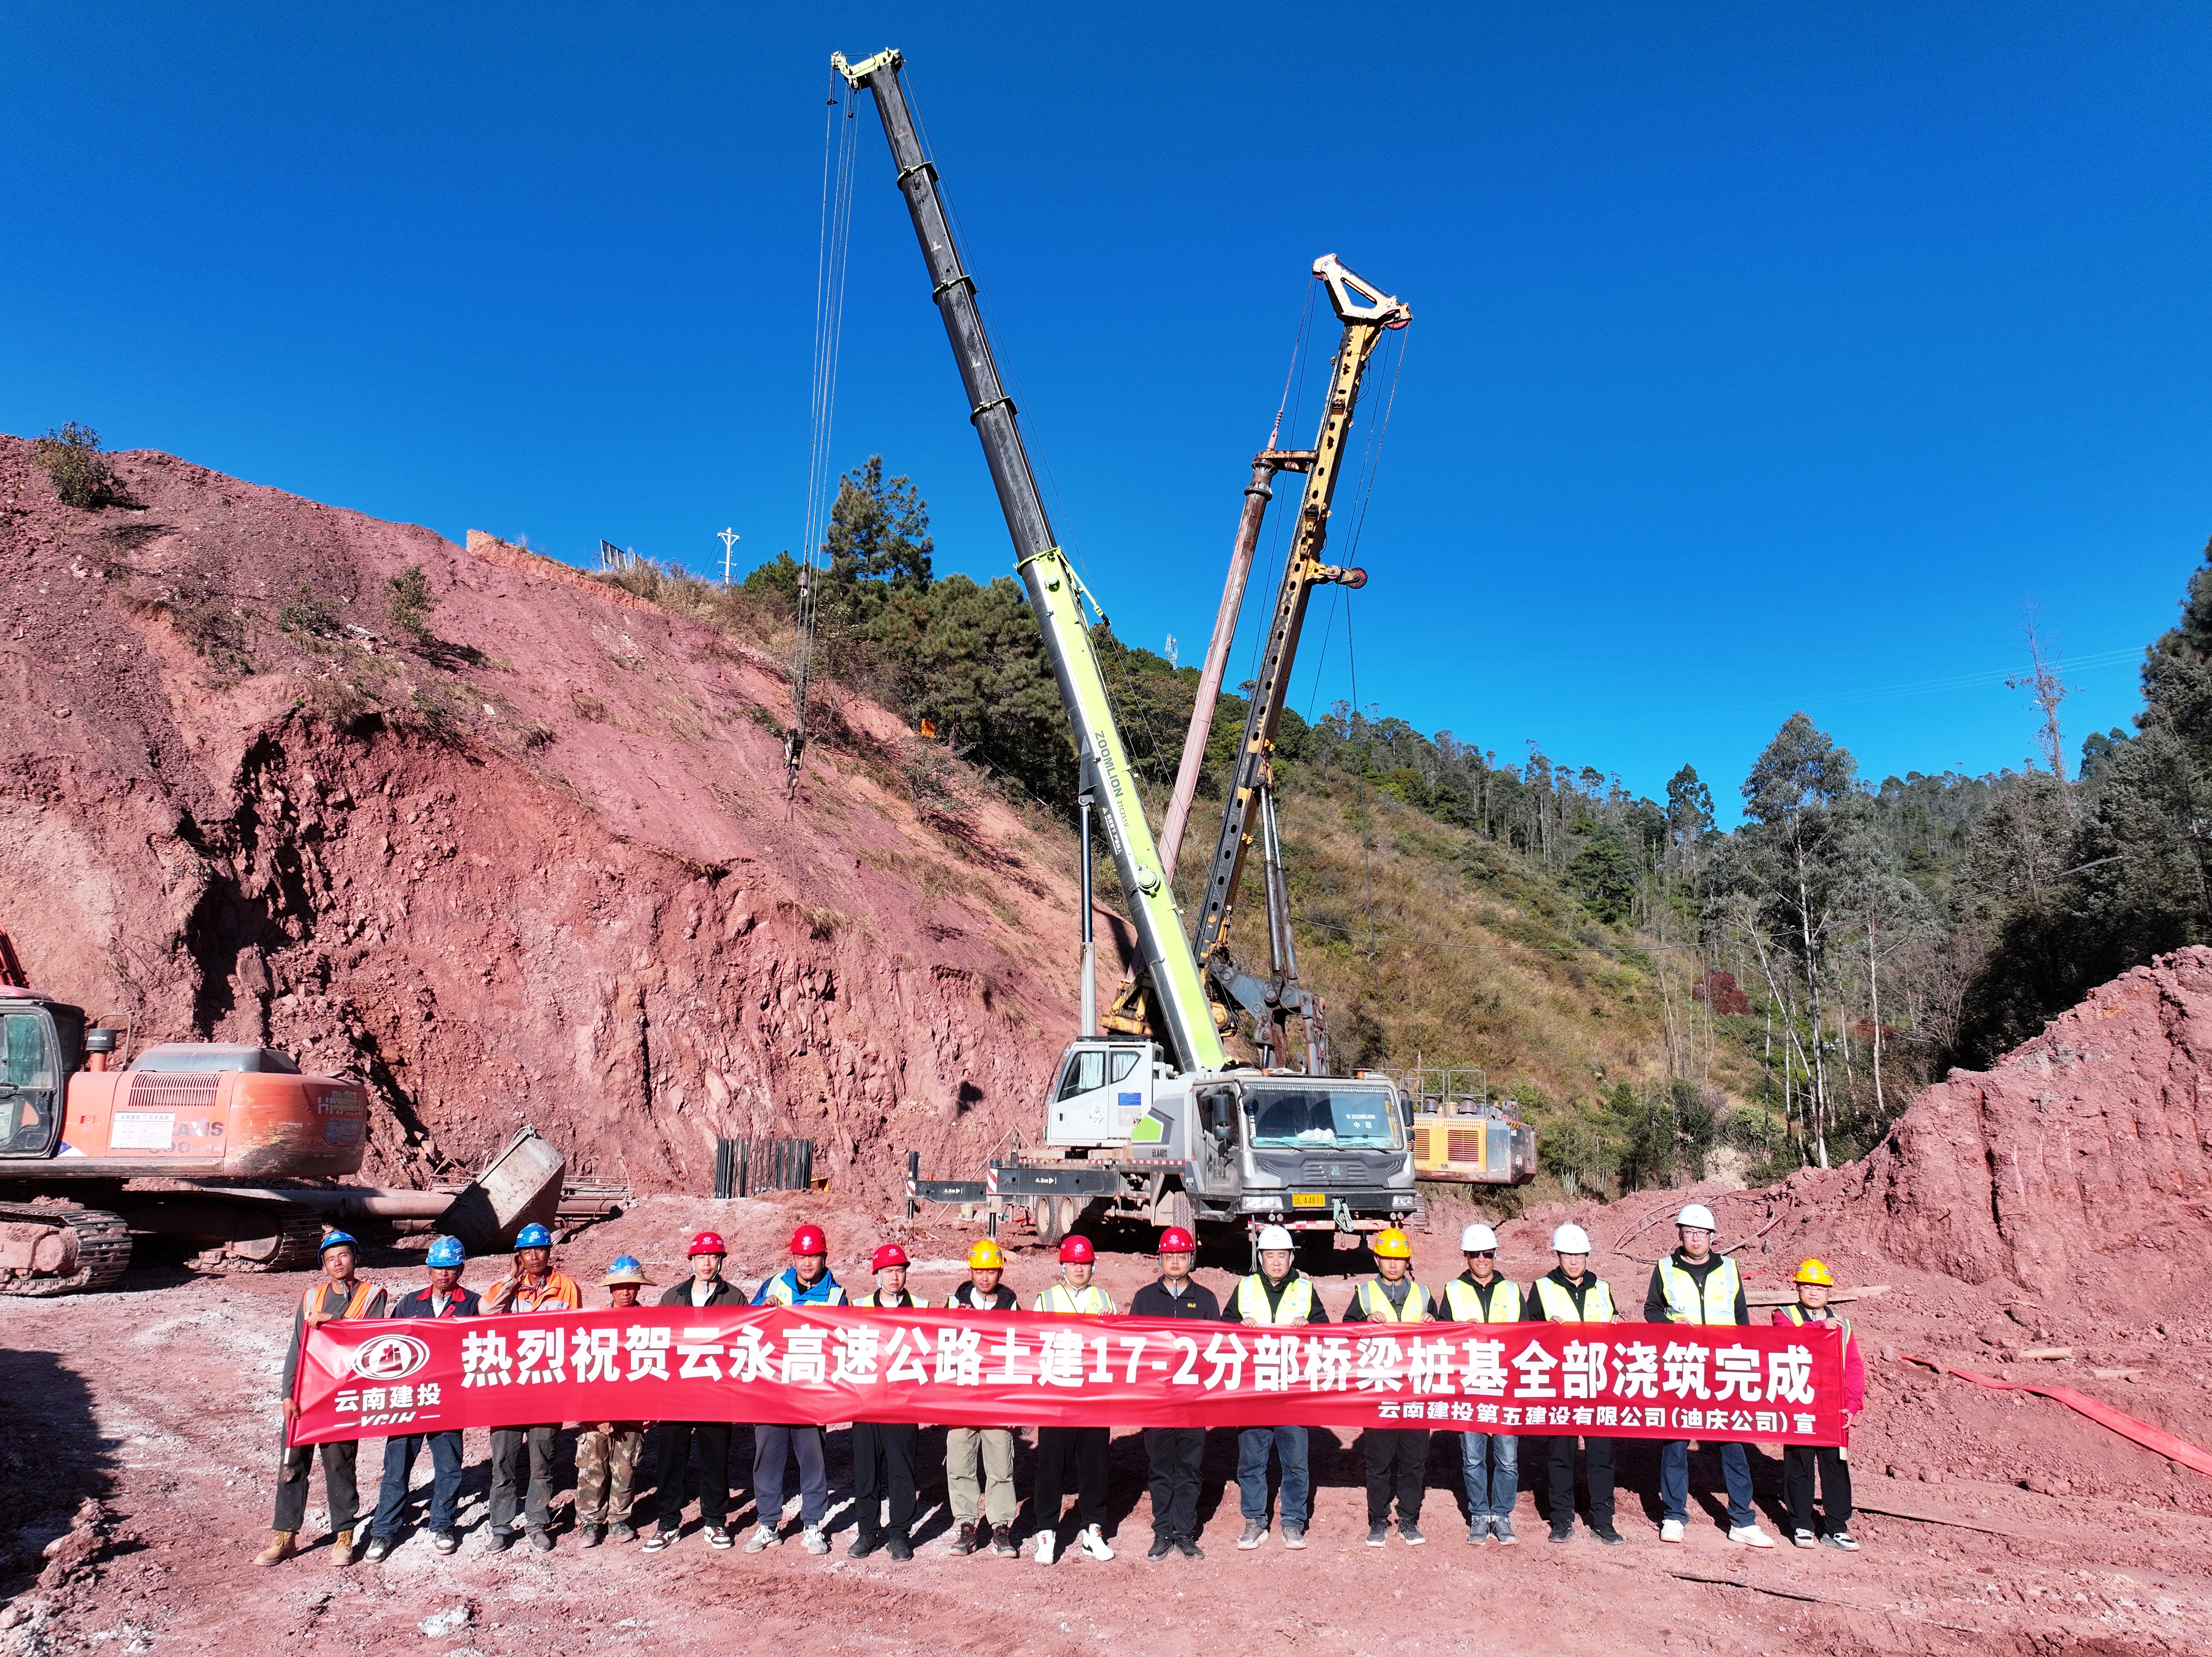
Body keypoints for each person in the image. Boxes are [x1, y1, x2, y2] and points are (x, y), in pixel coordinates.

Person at [1643, 1203, 1775, 1549]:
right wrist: (1671, 1325)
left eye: (1702, 1233)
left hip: (1723, 1368)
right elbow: (1652, 1311)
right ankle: (1673, 1516)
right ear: (1681, 1235)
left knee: (1733, 1444)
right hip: (1683, 1366)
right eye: (1689, 1232)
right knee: (1676, 1444)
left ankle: (1742, 1521)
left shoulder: (1729, 1269)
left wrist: (1747, 1362)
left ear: (1712, 1237)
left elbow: (1741, 1319)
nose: (1696, 1239)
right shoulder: (1665, 1268)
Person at [258, 1231, 388, 1566]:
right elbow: (297, 1347)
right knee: (292, 1464)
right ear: (323, 1266)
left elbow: (374, 1338)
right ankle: (285, 1537)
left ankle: (344, 1536)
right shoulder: (311, 1298)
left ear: (355, 1257)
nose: (337, 1263)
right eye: (330, 1259)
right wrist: (287, 1394)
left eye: (343, 1255)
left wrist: (337, 1321)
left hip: (343, 1396)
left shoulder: (372, 1295)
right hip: (306, 1395)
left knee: (340, 1465)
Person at [363, 1236, 477, 1562]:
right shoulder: (410, 1303)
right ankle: (384, 1532)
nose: (444, 1274)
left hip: (450, 1400)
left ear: (461, 1269)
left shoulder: (473, 1304)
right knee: (396, 1468)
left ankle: (442, 1525)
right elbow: (388, 1346)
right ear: (429, 1269)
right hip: (410, 1400)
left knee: (449, 1467)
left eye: (450, 1268)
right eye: (438, 1268)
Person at [481, 1222, 582, 1552]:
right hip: (508, 1392)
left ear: (550, 1253)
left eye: (539, 1249)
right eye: (527, 1251)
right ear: (519, 1256)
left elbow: (576, 1334)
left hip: (546, 1391)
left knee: (542, 1463)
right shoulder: (509, 1288)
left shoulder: (567, 1288)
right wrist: (512, 1280)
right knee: (504, 1464)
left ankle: (537, 1524)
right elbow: (486, 1313)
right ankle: (501, 1526)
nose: (534, 1256)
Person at [747, 1223, 846, 1554]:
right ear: (792, 1257)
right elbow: (745, 1326)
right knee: (768, 1459)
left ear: (824, 1257)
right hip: (772, 1391)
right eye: (801, 1256)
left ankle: (812, 1525)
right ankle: (768, 1524)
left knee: (813, 1460)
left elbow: (845, 1341)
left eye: (813, 1256)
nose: (807, 1262)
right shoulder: (774, 1285)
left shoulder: (835, 1296)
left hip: (811, 1394)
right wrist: (762, 1310)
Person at [1230, 1224, 1329, 1550]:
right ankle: (1255, 1521)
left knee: (1296, 1462)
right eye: (1270, 1255)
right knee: (1251, 1461)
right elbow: (1222, 1330)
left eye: (1282, 1255)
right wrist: (1238, 1326)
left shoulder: (1305, 1290)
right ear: (1260, 1258)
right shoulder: (1245, 1288)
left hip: (1293, 1392)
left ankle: (1293, 1523)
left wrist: (1310, 1325)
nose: (1276, 1261)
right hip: (1254, 1390)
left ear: (1291, 1257)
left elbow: (1327, 1333)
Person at [645, 1231, 745, 1553]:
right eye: (701, 1257)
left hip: (716, 1392)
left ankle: (715, 1521)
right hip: (678, 1392)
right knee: (671, 1459)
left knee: (715, 1459)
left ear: (721, 1261)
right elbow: (659, 1343)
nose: (707, 1263)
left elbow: (744, 1342)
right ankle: (668, 1524)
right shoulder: (672, 1297)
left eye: (713, 1257)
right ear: (691, 1261)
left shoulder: (735, 1298)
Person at [1129, 1226, 1220, 1561]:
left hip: (1193, 1403)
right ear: (1160, 1259)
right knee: (1161, 1469)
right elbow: (1130, 1349)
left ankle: (1185, 1533)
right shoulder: (1144, 1299)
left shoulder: (1207, 1300)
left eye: (1182, 1255)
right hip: (1158, 1403)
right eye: (1170, 1256)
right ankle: (1163, 1532)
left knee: (1190, 1470)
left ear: (1191, 1259)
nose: (1176, 1261)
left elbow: (1218, 1349)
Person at [1531, 1223, 1623, 1546]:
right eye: (1568, 1255)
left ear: (1587, 1256)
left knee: (1601, 1456)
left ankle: (1603, 1521)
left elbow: (1615, 1328)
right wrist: (1543, 1327)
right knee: (1561, 1455)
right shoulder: (1542, 1288)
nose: (1574, 1261)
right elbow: (1527, 1333)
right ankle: (1561, 1519)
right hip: (1562, 1386)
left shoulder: (1603, 1288)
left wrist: (1618, 1324)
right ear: (1558, 1256)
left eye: (1580, 1255)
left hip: (1598, 1385)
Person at [1346, 1227, 1437, 1547]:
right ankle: (1378, 1520)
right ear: (1377, 1260)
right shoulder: (1363, 1294)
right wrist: (1364, 1323)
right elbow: (1345, 1336)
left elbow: (1446, 1338)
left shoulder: (1424, 1295)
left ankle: (1409, 1519)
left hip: (1416, 1392)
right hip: (1379, 1392)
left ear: (1408, 1261)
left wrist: (1433, 1323)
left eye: (1399, 1259)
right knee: (1379, 1462)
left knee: (1414, 1460)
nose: (1393, 1264)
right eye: (1387, 1258)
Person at [1029, 1233, 1116, 1564]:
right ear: (1062, 1266)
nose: (1079, 1269)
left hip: (1094, 1400)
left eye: (1085, 1263)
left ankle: (1093, 1530)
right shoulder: (1046, 1299)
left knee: (1095, 1468)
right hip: (1057, 1399)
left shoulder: (1105, 1299)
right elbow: (1033, 1345)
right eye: (1073, 1263)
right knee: (1050, 1468)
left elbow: (1117, 1346)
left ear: (1093, 1266)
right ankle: (1046, 1532)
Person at [1773, 1258, 1863, 1551]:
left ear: (1829, 1291)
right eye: (1808, 1286)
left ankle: (1837, 1528)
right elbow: (1785, 1341)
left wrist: (1852, 1404)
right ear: (1798, 1288)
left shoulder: (1844, 1325)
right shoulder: (1784, 1315)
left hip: (1832, 1407)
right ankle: (1801, 1525)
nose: (1814, 1292)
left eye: (1820, 1287)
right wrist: (1820, 1328)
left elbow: (1853, 1366)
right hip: (1799, 1403)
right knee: (1799, 1465)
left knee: (1836, 1467)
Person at [1441, 1222, 1523, 1545]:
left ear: (1495, 1255)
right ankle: (1479, 1515)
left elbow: (1530, 1336)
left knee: (1508, 1458)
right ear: (1466, 1256)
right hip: (1469, 1387)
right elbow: (1441, 1339)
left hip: (1506, 1388)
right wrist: (1461, 1329)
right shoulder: (1453, 1291)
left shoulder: (1512, 1291)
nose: (1481, 1259)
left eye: (1487, 1253)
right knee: (1473, 1457)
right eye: (1475, 1254)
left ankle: (1501, 1516)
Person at [848, 1242, 930, 1562]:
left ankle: (899, 1535)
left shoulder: (921, 1307)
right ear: (877, 1275)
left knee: (902, 1472)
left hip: (903, 1405)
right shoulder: (859, 1306)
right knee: (866, 1472)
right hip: (867, 1404)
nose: (894, 1277)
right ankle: (868, 1532)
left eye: (899, 1271)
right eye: (888, 1271)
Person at [943, 1237, 1021, 1558]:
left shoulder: (1011, 1306)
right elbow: (937, 1348)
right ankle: (967, 1526)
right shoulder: (954, 1305)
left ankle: (1001, 1528)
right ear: (971, 1271)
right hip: (962, 1401)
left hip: (997, 1401)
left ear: (1000, 1272)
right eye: (979, 1271)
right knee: (960, 1464)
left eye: (991, 1271)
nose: (985, 1277)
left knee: (1001, 1467)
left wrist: (1016, 1403)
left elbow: (1021, 1354)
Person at [575, 1257, 654, 1548]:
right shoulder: (593, 1324)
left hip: (633, 1412)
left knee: (625, 1467)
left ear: (639, 1288)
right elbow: (583, 1369)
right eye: (619, 1287)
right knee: (592, 1467)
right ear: (610, 1289)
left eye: (631, 1286)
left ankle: (619, 1519)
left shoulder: (652, 1324)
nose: (625, 1292)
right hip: (596, 1413)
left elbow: (658, 1369)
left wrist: (653, 1409)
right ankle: (589, 1522)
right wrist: (593, 1410)